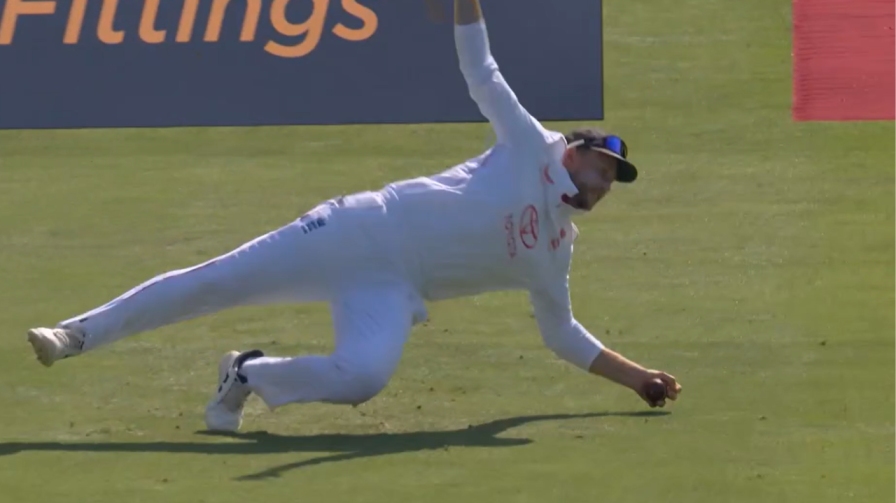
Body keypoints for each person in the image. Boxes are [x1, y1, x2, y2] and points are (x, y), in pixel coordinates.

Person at [26, 0, 682, 432]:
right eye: (601, 167)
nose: (604, 183)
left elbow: (562, 332)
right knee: (215, 279)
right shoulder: (528, 140)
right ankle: (75, 334)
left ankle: (245, 373)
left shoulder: (557, 249)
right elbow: (482, 70)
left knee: (364, 375)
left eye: (612, 181)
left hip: (393, 289)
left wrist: (638, 380)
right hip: (359, 229)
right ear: (574, 150)